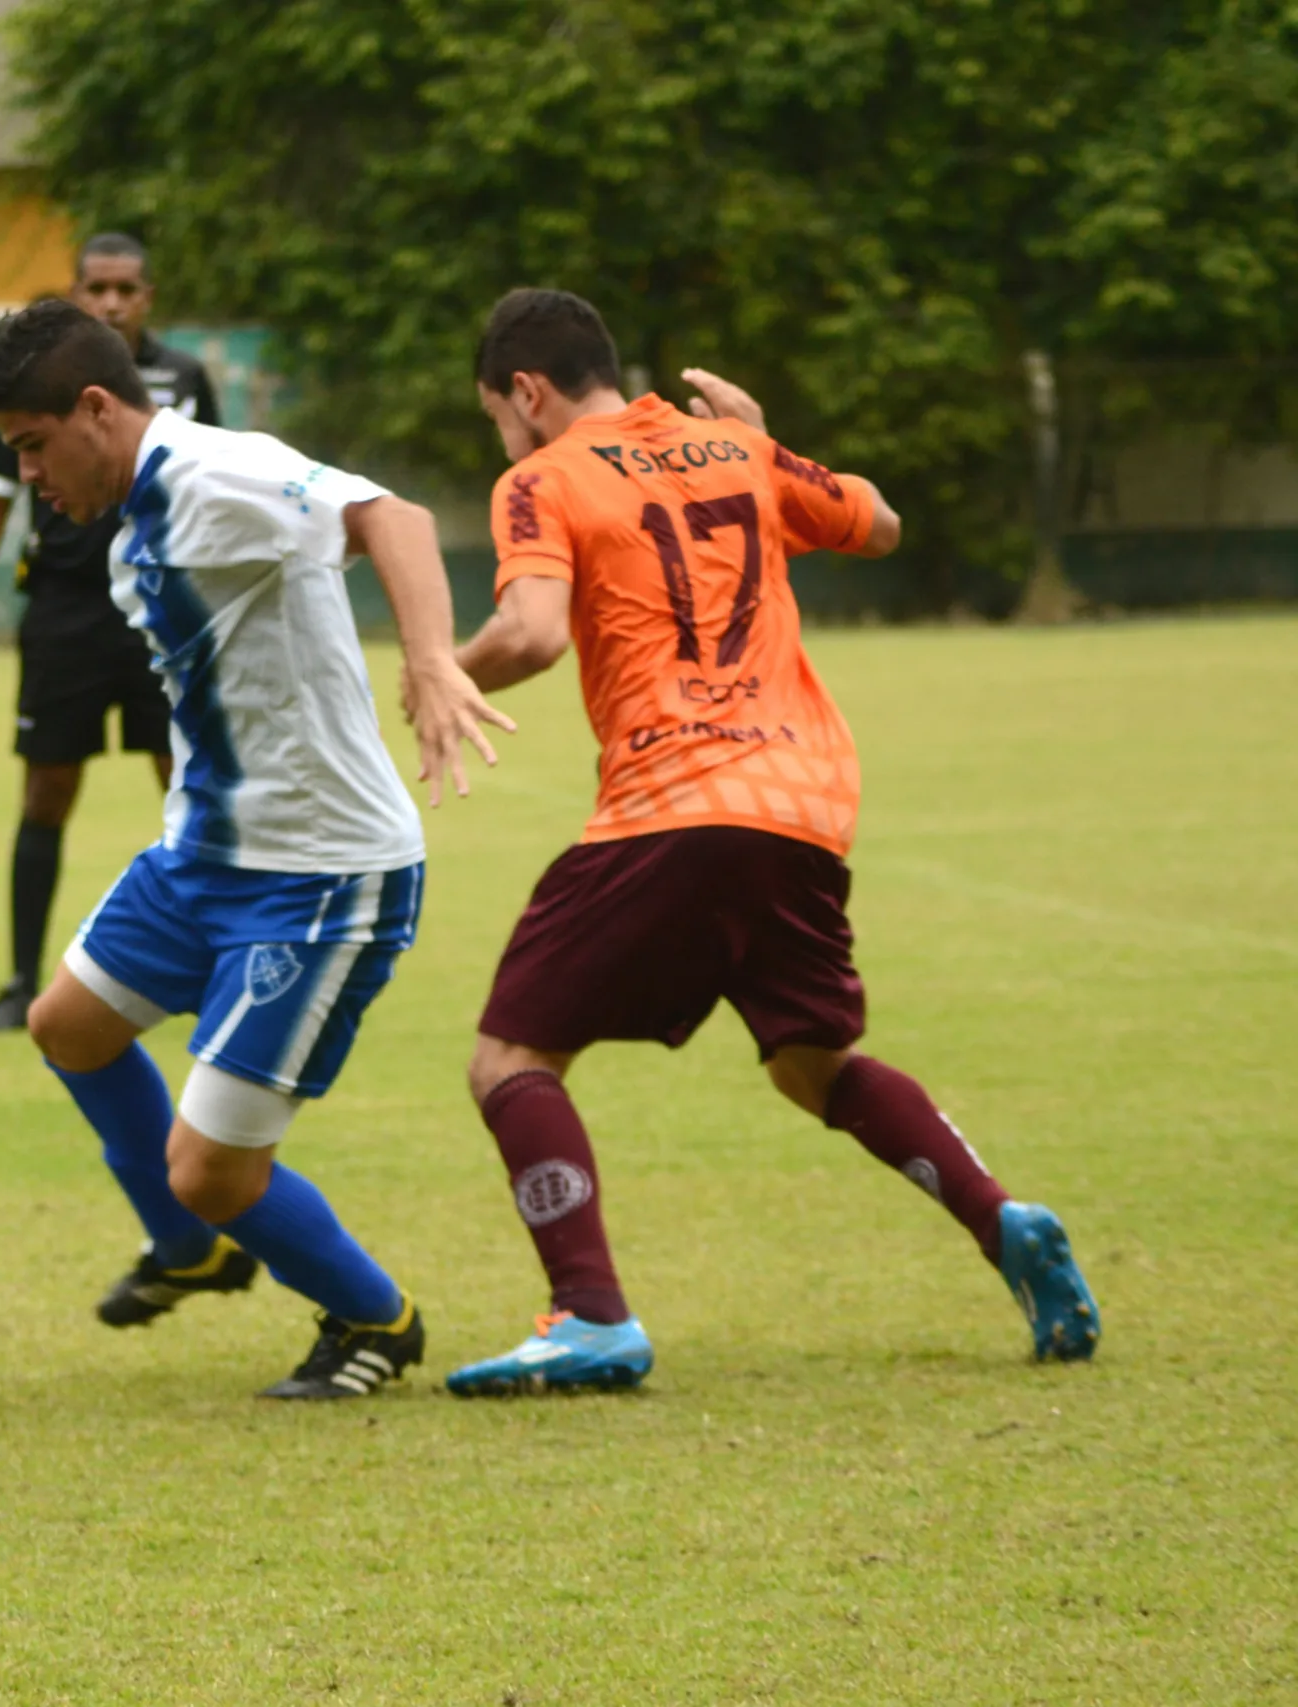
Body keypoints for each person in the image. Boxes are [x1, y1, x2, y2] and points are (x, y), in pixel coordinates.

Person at [441, 288, 1101, 1396]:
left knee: (508, 1060)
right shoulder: (732, 448)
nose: (502, 441)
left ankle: (590, 1314)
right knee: (811, 1065)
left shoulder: (541, 478)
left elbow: (530, 632)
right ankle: (1003, 1221)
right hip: (801, 805)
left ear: (525, 390)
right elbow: (881, 524)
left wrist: (432, 673)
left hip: (674, 801)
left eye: (496, 419)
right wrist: (762, 441)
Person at [0, 298, 513, 1396]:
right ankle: (192, 1249)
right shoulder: (135, 507)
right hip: (205, 853)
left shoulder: (216, 471)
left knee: (212, 1167)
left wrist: (427, 660)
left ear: (93, 409)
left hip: (318, 873)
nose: (27, 477)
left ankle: (374, 1320)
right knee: (67, 1025)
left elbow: (391, 517)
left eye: (31, 447)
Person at [0, 234, 222, 1037]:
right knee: (46, 791)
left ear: (149, 295)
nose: (110, 301)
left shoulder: (184, 382)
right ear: (76, 290)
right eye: (95, 287)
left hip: (161, 614)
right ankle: (21, 980)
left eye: (125, 288)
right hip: (64, 612)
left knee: (185, 785)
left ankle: (207, 965)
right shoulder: (30, 388)